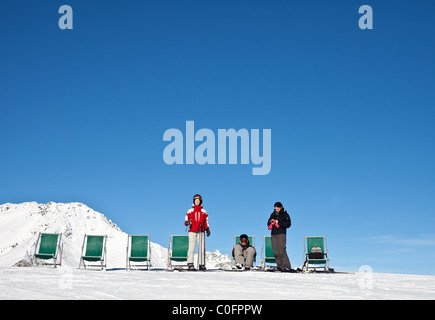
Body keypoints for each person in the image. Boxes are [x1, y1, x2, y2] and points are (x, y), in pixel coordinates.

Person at [184, 194, 211, 271]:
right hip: (192, 230)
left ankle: (201, 264)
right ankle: (190, 264)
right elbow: (186, 218)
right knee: (191, 248)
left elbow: (206, 221)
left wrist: (207, 229)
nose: (197, 202)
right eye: (195, 200)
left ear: (201, 201)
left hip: (201, 230)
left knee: (202, 248)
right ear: (193, 201)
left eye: (198, 200)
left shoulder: (204, 211)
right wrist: (187, 222)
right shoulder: (190, 210)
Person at [267, 202, 292, 271]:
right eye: (275, 209)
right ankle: (280, 266)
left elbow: (288, 224)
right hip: (273, 234)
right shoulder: (273, 214)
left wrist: (279, 222)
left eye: (277, 209)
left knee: (281, 251)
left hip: (281, 234)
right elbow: (267, 223)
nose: (276, 210)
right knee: (275, 251)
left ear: (281, 207)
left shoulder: (285, 214)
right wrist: (271, 221)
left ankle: (287, 266)